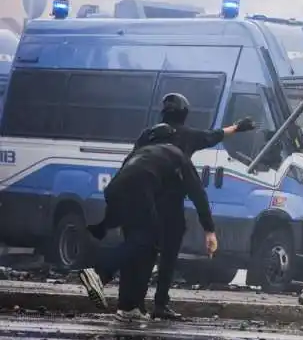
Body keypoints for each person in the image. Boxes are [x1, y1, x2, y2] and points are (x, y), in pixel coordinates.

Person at [130, 92, 255, 320]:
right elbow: (213, 137)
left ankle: (135, 303)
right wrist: (238, 127)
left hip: (143, 203)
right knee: (168, 255)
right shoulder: (187, 138)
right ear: (185, 114)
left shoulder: (147, 136)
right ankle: (160, 304)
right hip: (170, 206)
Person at [78, 124, 217, 322]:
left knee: (139, 244)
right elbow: (197, 193)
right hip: (139, 189)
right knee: (148, 239)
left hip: (115, 189)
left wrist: (108, 222)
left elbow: (124, 182)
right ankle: (99, 273)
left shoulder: (142, 152)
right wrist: (209, 229)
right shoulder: (176, 154)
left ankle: (128, 307)